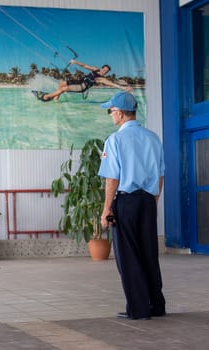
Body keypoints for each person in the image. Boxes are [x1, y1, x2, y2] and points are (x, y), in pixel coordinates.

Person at [98, 91, 166, 320]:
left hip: (126, 201)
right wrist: (152, 200)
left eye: (111, 111)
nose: (110, 115)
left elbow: (112, 178)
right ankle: (156, 305)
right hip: (148, 201)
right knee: (149, 252)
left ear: (119, 113)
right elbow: (161, 174)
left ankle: (138, 308)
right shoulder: (153, 138)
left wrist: (107, 208)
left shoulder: (115, 140)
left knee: (128, 255)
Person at [36, 60, 131, 101]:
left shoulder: (101, 78)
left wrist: (122, 88)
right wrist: (75, 62)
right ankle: (56, 100)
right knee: (62, 83)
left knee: (64, 89)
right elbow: (84, 66)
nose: (104, 71)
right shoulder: (95, 69)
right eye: (104, 69)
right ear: (101, 68)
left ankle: (46, 97)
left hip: (82, 86)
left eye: (106, 71)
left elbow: (112, 84)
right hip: (79, 81)